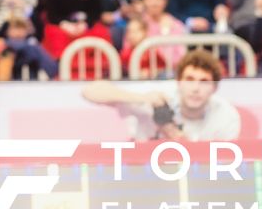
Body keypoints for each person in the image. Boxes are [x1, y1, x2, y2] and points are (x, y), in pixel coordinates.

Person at [80, 48, 240, 140]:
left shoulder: (227, 116)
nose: (195, 88)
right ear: (178, 82)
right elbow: (90, 91)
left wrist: (173, 133)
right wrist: (142, 99)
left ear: (215, 88)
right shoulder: (159, 95)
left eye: (204, 81)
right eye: (189, 79)